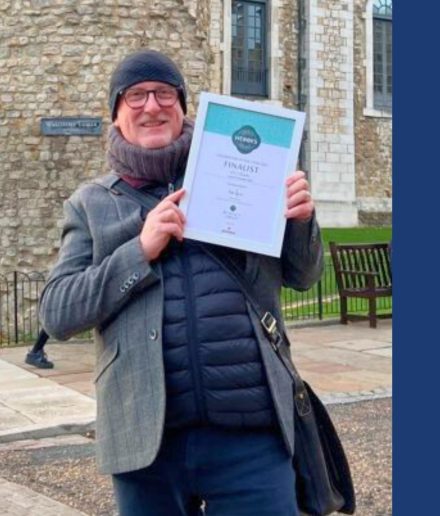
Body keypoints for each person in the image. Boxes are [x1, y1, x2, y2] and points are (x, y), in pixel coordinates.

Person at [39, 49, 322, 515]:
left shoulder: (246, 175)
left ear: (183, 106)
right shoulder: (90, 203)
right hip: (145, 442)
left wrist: (301, 220)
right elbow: (57, 312)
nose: (152, 105)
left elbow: (304, 276)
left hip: (251, 435)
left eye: (164, 93)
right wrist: (139, 250)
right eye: (135, 96)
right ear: (116, 113)